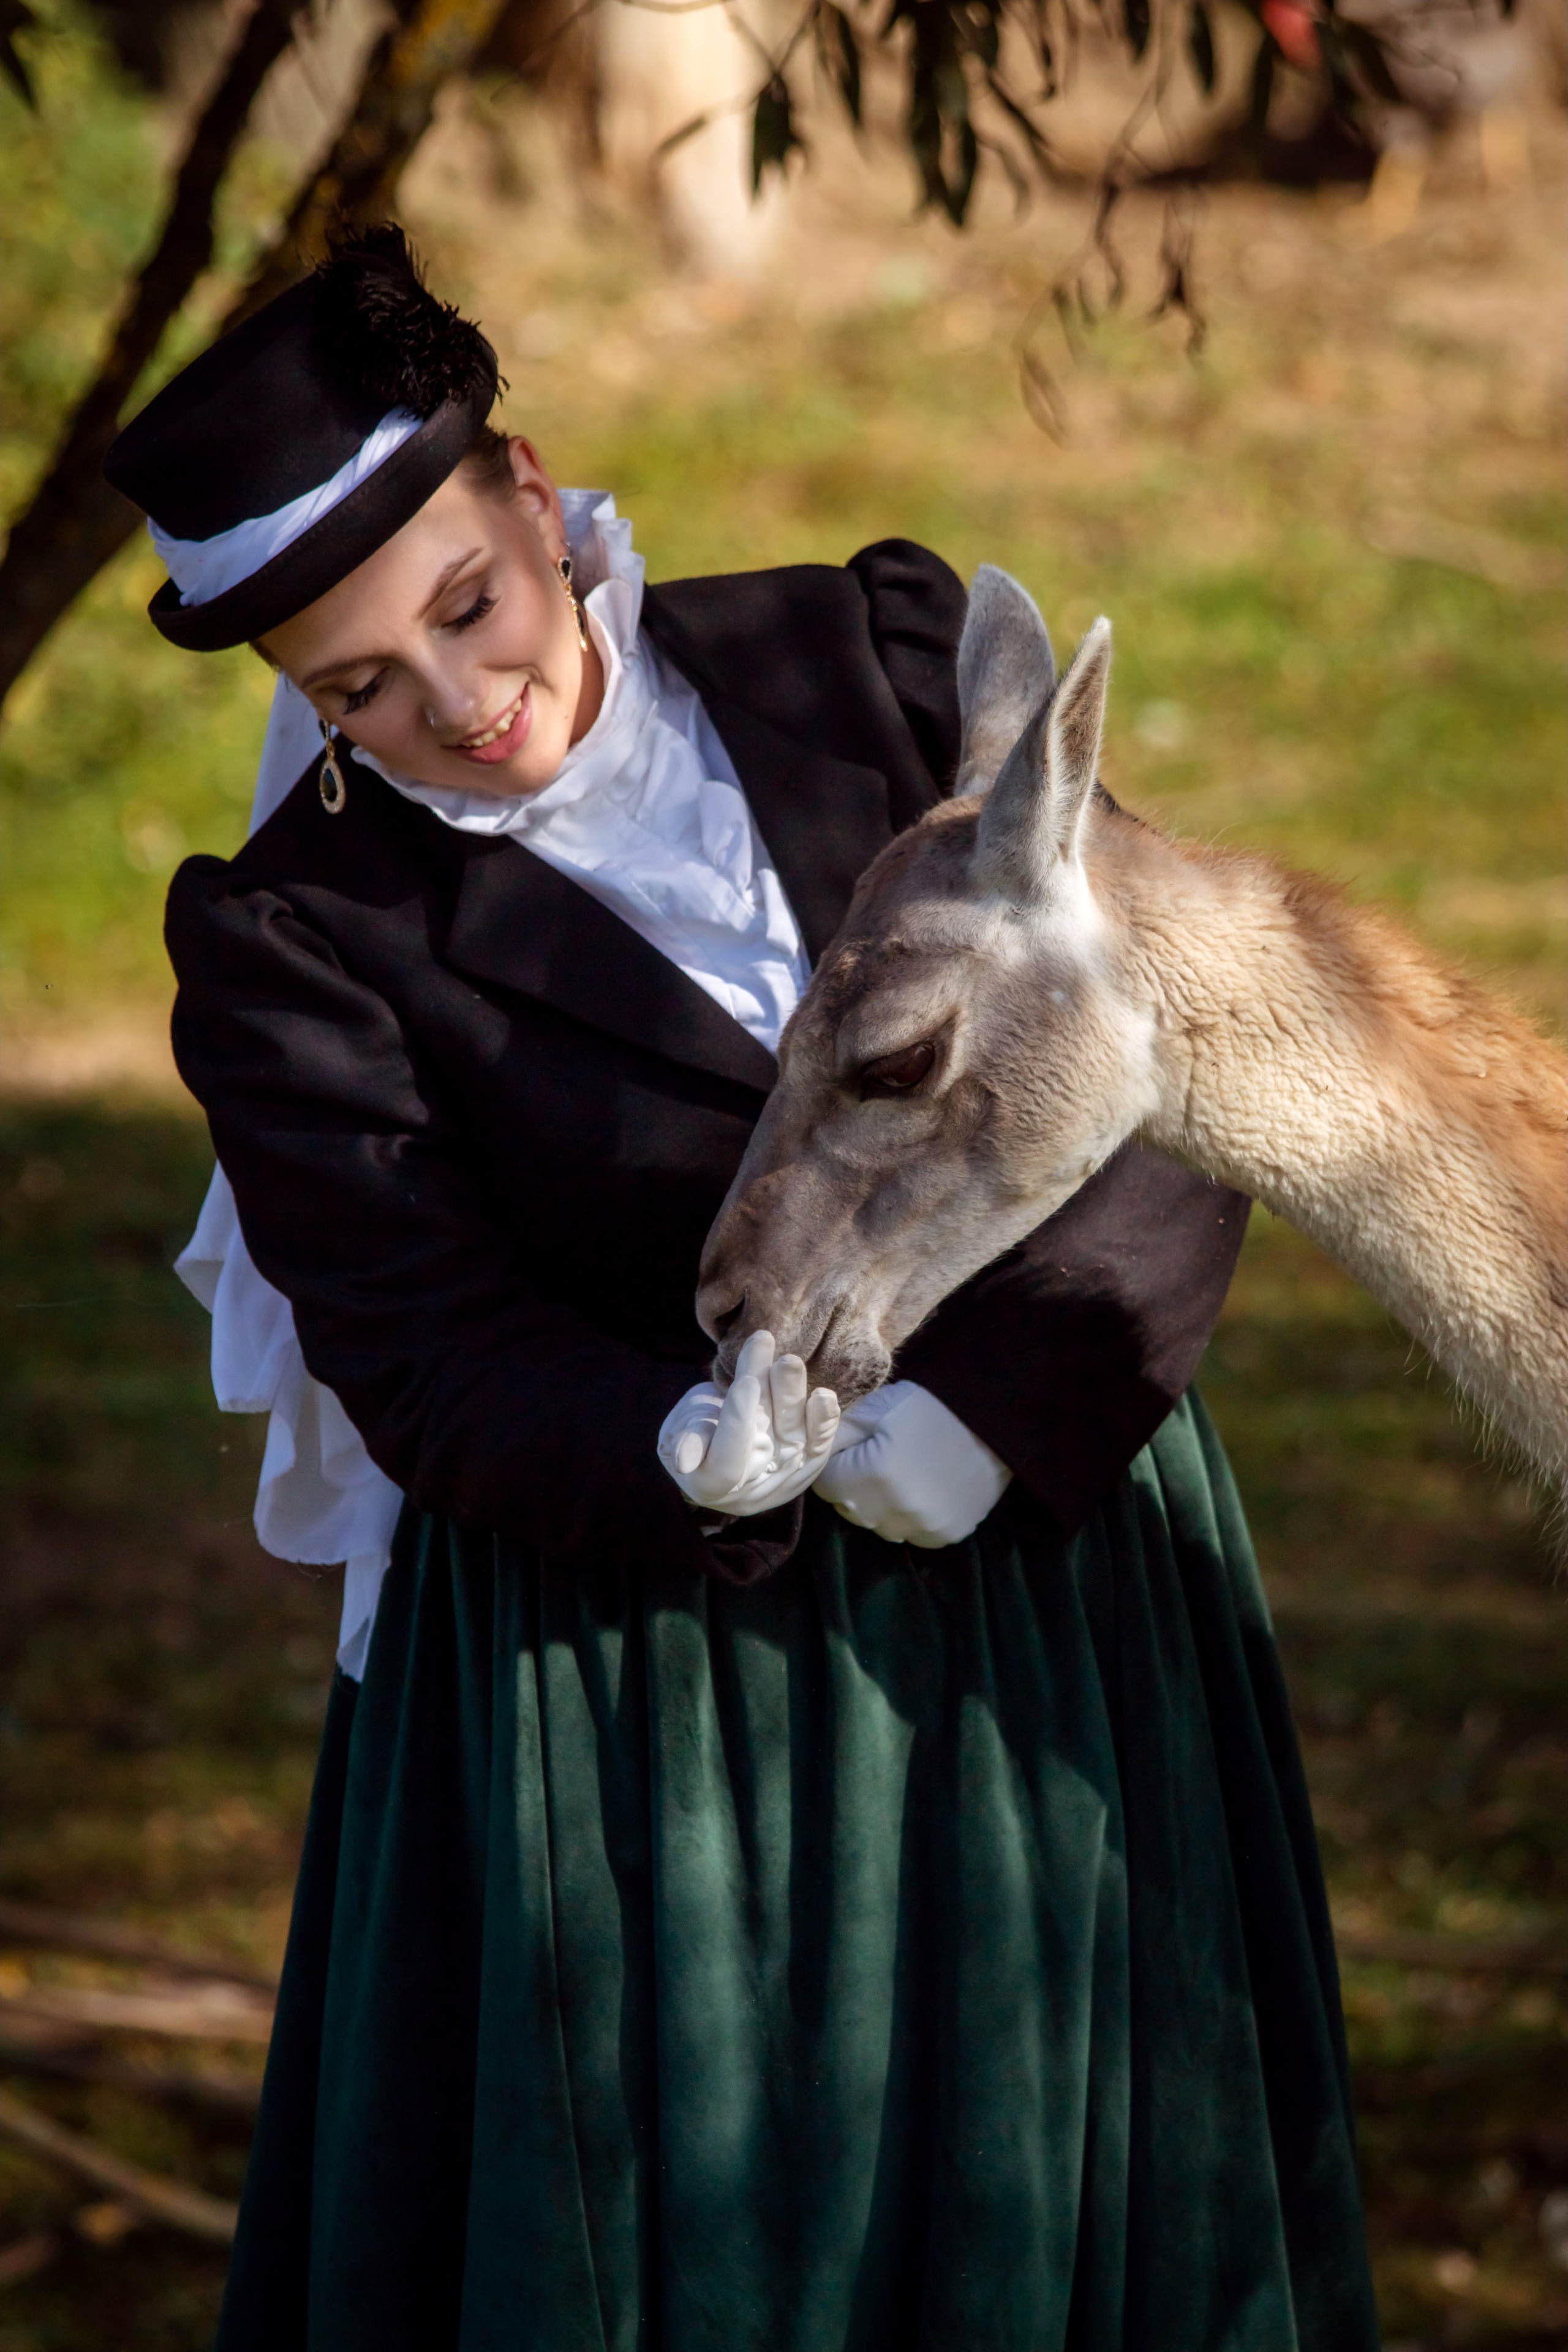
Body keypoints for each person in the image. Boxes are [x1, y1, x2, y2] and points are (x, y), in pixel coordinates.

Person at [105, 227, 1379, 2352]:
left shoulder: (864, 660)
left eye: (465, 608)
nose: (461, 705)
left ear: (531, 493)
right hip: (662, 1688)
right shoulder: (296, 949)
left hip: (1064, 1565)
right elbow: (430, 1360)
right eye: (360, 691)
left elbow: (1169, 1039)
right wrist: (689, 1451)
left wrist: (990, 1433)